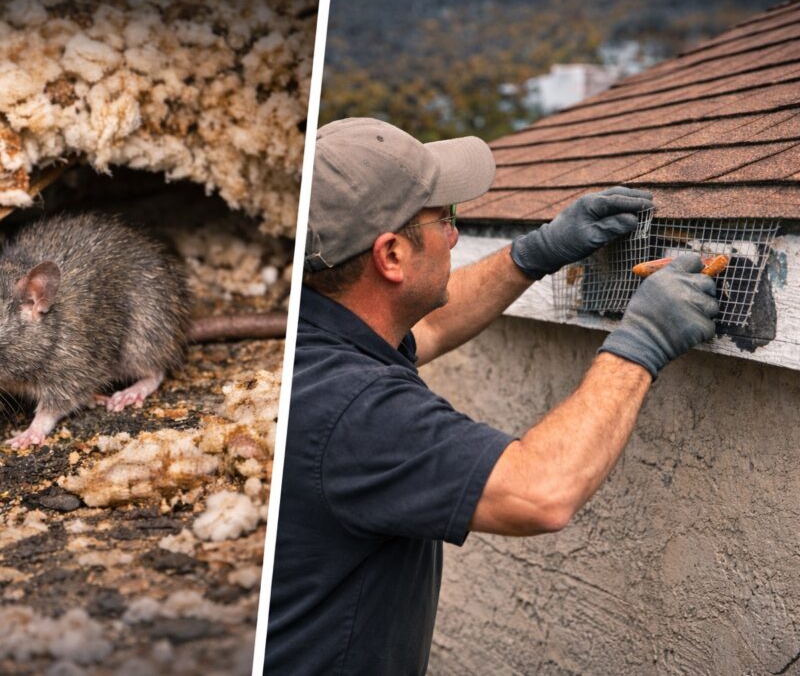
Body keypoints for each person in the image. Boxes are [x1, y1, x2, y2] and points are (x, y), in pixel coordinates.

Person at [264, 117, 719, 675]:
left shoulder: (322, 335)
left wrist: (532, 254)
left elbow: (429, 327)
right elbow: (540, 492)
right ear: (391, 257)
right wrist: (641, 342)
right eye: (444, 219)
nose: (454, 235)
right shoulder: (352, 406)